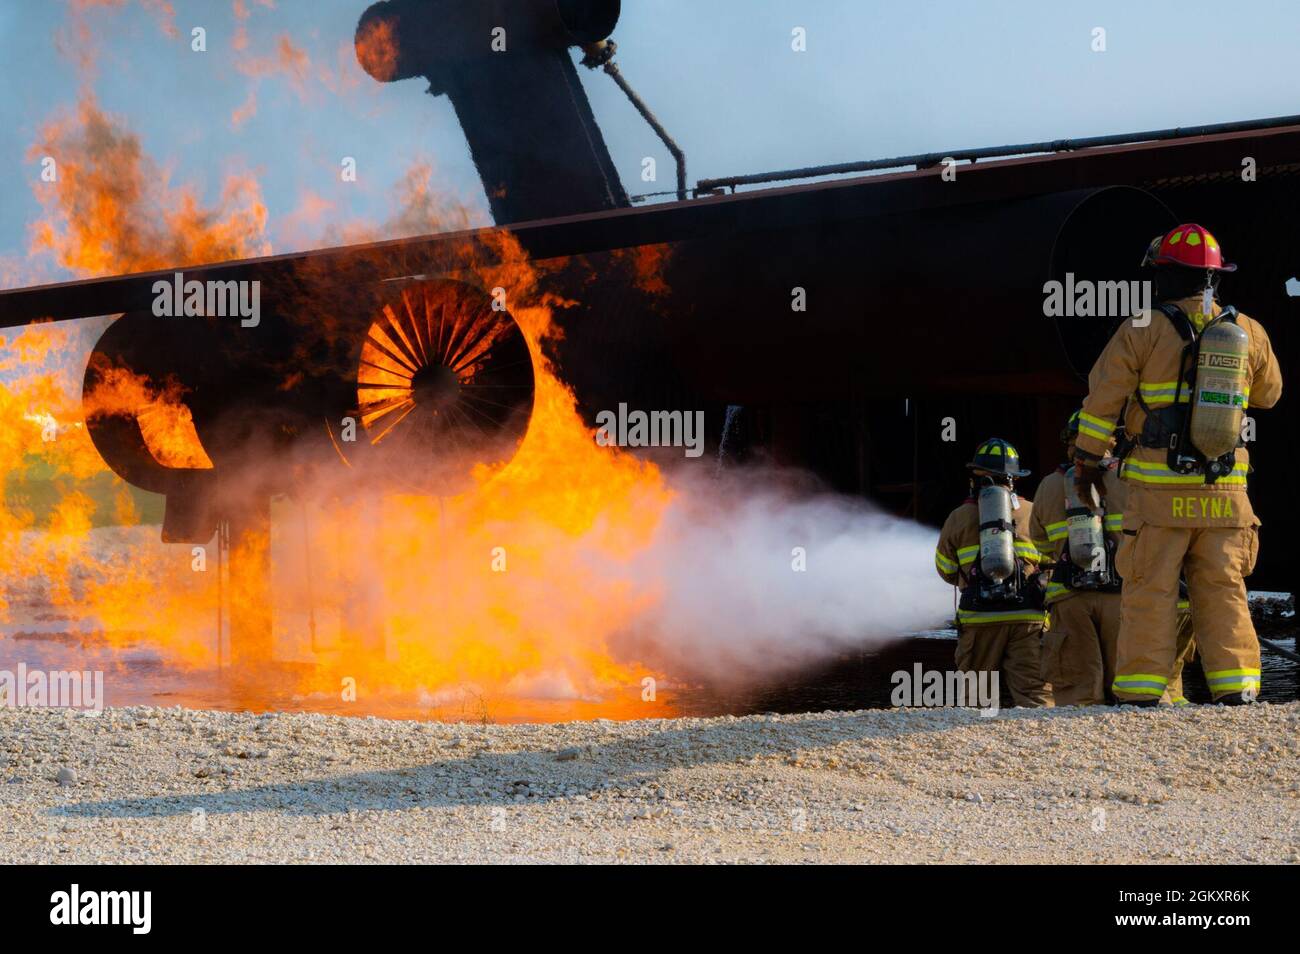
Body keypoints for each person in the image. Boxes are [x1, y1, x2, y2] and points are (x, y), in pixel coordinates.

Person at [1072, 224, 1282, 705]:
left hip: (1160, 499)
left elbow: (1102, 401)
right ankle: (1238, 691)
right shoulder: (1247, 330)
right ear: (1214, 277)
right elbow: (1271, 395)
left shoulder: (1141, 329)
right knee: (1224, 590)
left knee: (1150, 591)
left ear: (1164, 276)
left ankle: (1142, 696)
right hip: (1227, 499)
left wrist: (1085, 461)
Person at [1032, 411, 1196, 705]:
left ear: (1070, 444)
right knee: (1130, 681)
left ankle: (1075, 745)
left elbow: (1039, 544)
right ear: (1112, 439)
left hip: (1070, 598)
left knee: (1078, 689)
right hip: (1123, 596)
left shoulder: (1049, 486)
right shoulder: (1131, 477)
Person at [935, 438, 1052, 707]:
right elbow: (1053, 561)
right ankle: (1044, 743)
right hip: (1028, 618)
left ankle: (971, 745)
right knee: (1035, 694)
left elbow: (946, 570)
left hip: (979, 617)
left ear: (976, 477)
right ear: (1014, 480)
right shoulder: (1034, 512)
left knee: (976, 698)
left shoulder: (958, 517)